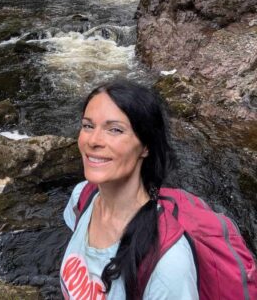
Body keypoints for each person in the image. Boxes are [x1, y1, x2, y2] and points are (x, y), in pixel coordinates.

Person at [60, 78, 199, 299]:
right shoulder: (82, 197)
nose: (93, 140)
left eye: (115, 130)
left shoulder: (168, 265)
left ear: (145, 146)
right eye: (88, 125)